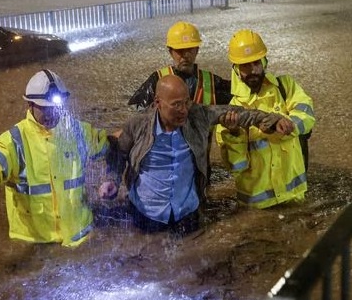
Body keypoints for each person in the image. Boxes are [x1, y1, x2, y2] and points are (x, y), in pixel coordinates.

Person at [111, 74, 292, 236]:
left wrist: (272, 121)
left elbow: (240, 113)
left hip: (187, 213)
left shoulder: (198, 115)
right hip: (146, 214)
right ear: (158, 103)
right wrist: (111, 180)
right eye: (176, 104)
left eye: (186, 102)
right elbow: (119, 153)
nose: (184, 110)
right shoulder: (137, 125)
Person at [0, 70, 115, 247]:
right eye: (44, 108)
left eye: (55, 107)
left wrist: (138, 130)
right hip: (36, 244)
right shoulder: (15, 141)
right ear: (29, 105)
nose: (51, 113)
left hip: (80, 236)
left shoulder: (78, 131)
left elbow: (109, 145)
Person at [216, 29, 315, 208]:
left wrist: (289, 123)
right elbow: (236, 167)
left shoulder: (286, 87)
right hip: (258, 208)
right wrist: (233, 133)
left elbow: (307, 114)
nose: (252, 70)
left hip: (294, 197)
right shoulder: (231, 111)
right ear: (236, 70)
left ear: (265, 61)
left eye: (256, 63)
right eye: (245, 66)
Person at [128, 21, 232, 109]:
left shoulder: (212, 82)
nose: (186, 55)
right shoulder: (157, 79)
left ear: (197, 50)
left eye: (190, 49)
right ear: (170, 52)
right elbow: (137, 110)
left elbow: (239, 94)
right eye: (180, 50)